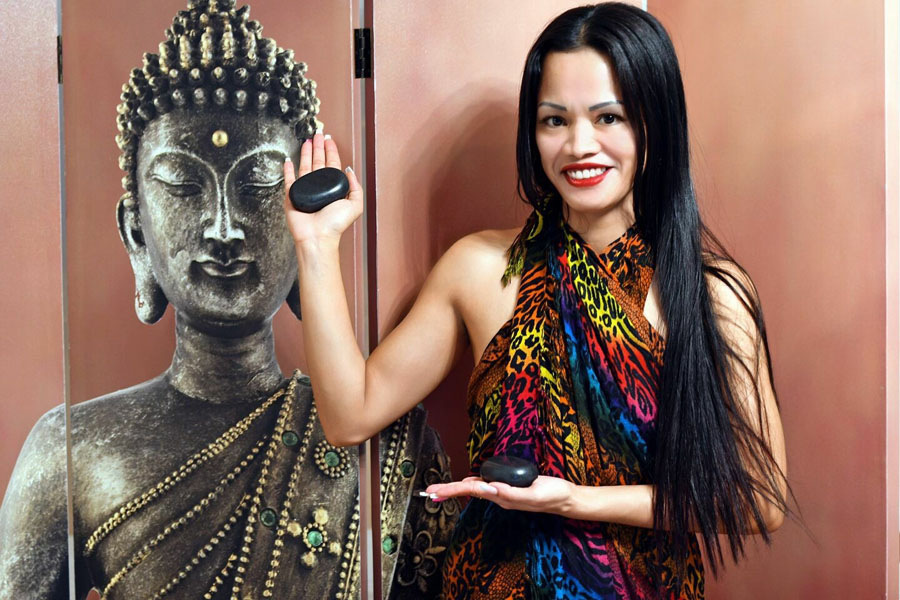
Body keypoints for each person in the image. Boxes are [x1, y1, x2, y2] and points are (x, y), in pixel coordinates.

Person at [284, 3, 789, 598]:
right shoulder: (479, 269)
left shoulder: (714, 293)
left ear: (654, 125)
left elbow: (759, 500)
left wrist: (574, 500)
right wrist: (315, 248)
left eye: (609, 117)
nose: (579, 145)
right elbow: (349, 415)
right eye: (555, 120)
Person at [0, 1, 457, 598]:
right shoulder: (69, 451)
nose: (223, 228)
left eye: (259, 184)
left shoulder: (391, 448)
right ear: (136, 234)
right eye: (184, 185)